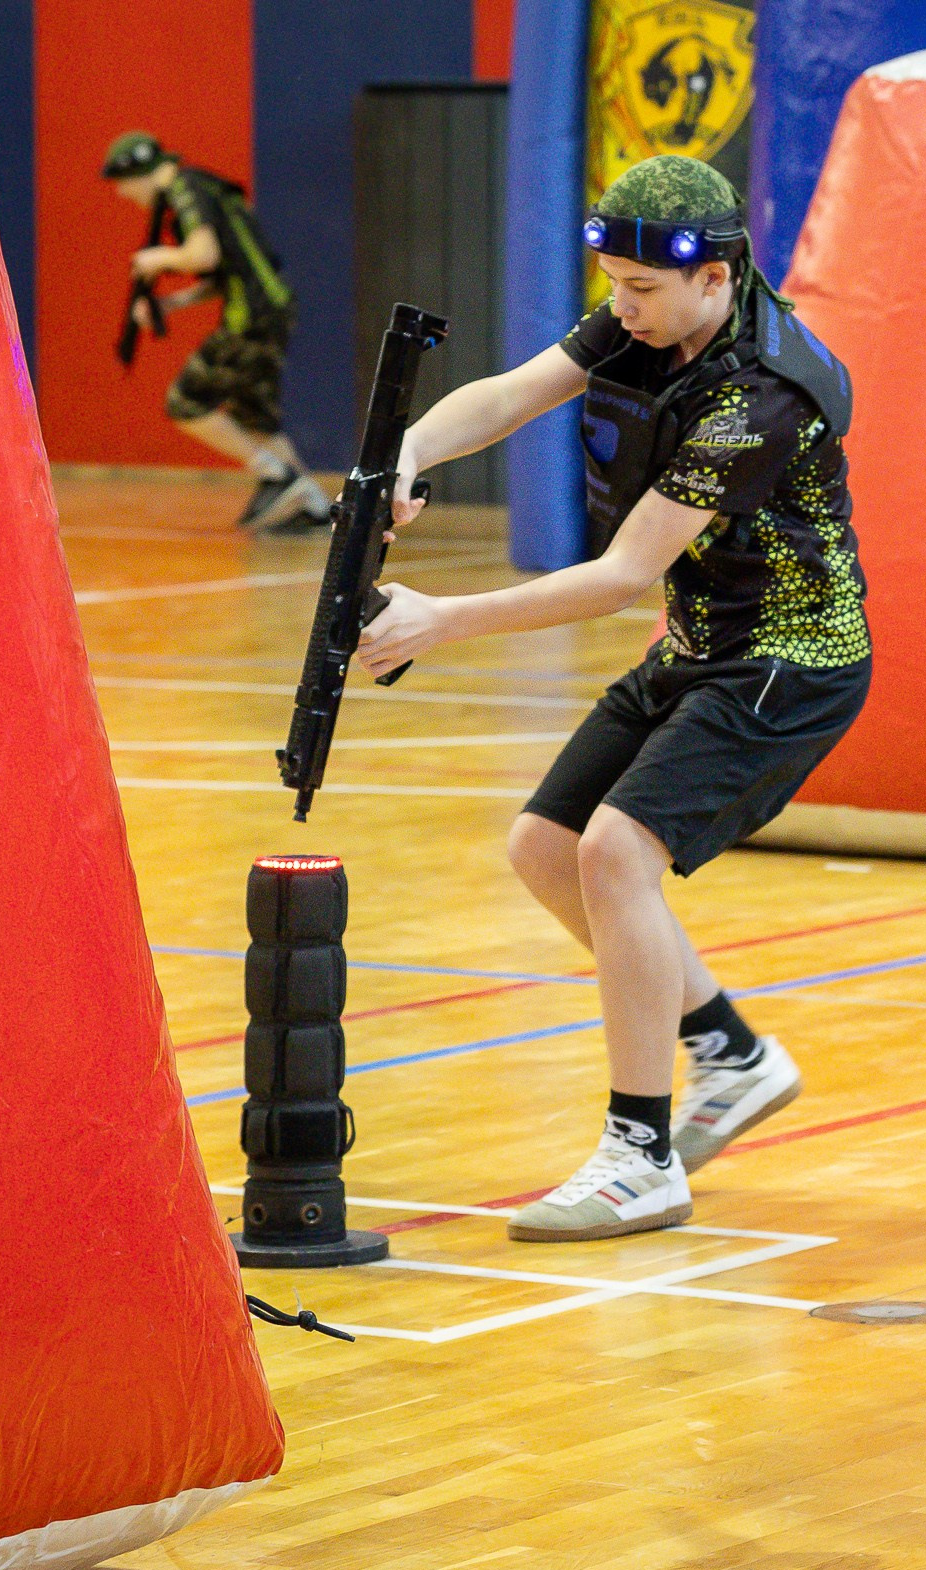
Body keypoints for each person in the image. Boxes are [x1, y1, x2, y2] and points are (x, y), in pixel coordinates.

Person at [355, 155, 869, 1242]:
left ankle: (640, 1156)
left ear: (716, 281)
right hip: (701, 644)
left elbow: (621, 574)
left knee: (614, 851)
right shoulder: (648, 318)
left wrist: (439, 619)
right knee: (546, 845)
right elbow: (512, 392)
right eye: (615, 287)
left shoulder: (756, 394)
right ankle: (731, 1051)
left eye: (639, 291)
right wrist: (410, 446)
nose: (618, 309)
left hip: (788, 662)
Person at [101, 130, 331, 532]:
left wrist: (160, 258)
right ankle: (312, 504)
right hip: (271, 307)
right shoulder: (206, 188)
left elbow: (204, 254)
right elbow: (226, 271)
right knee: (255, 416)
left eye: (122, 183)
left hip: (253, 316)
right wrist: (173, 303)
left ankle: (278, 475)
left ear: (139, 173)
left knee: (186, 400)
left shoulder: (184, 189)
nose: (123, 194)